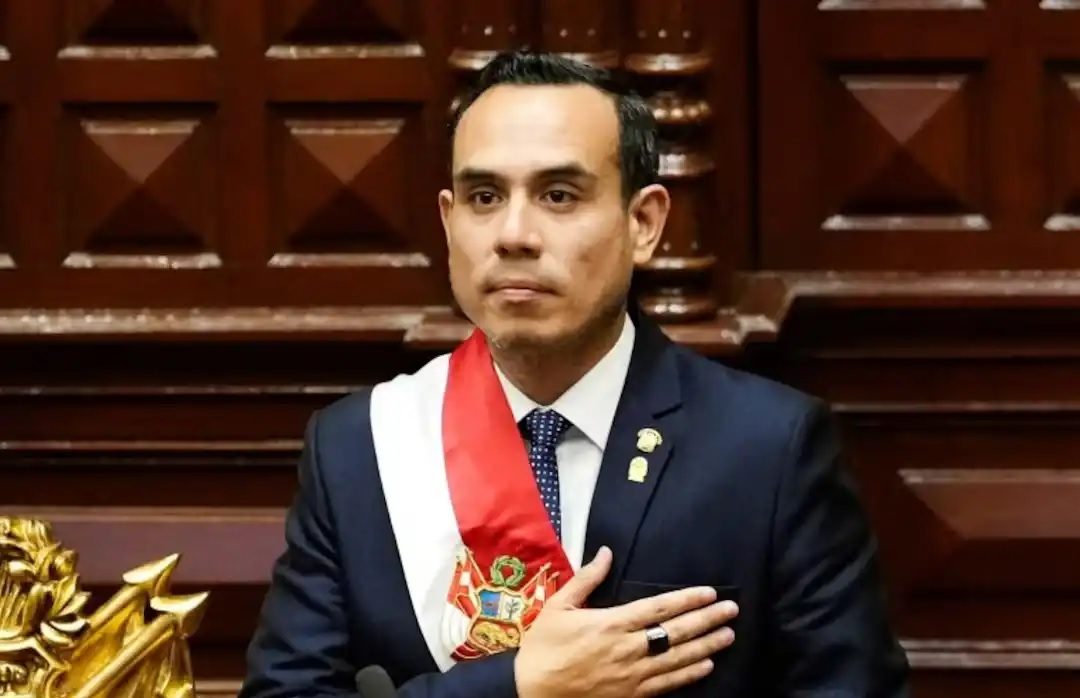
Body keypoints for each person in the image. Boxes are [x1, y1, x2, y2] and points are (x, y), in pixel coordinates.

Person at [239, 51, 910, 698]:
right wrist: (516, 686)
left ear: (643, 223)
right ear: (448, 222)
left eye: (558, 195)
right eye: (483, 196)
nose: (513, 234)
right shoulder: (359, 448)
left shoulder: (768, 448)